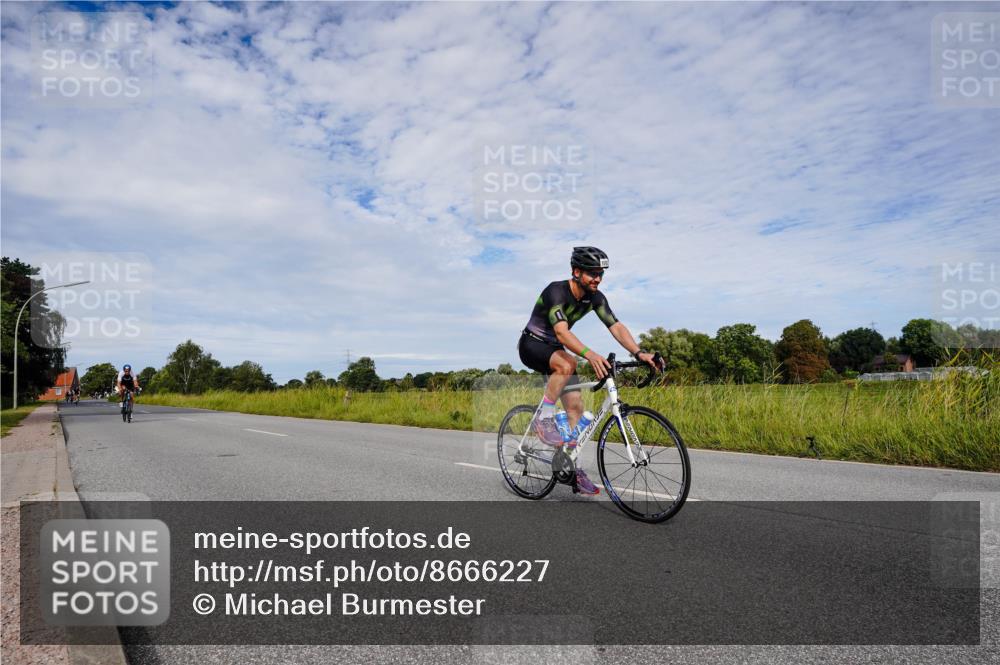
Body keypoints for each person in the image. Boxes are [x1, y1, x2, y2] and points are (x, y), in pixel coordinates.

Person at [518, 246, 663, 495]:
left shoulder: (595, 297)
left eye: (600, 274)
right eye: (592, 273)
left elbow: (615, 326)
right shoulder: (556, 291)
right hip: (532, 344)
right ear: (576, 272)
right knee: (569, 362)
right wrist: (591, 355)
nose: (597, 278)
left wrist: (639, 353)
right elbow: (562, 332)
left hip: (555, 349)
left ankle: (571, 467)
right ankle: (543, 420)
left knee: (576, 407)